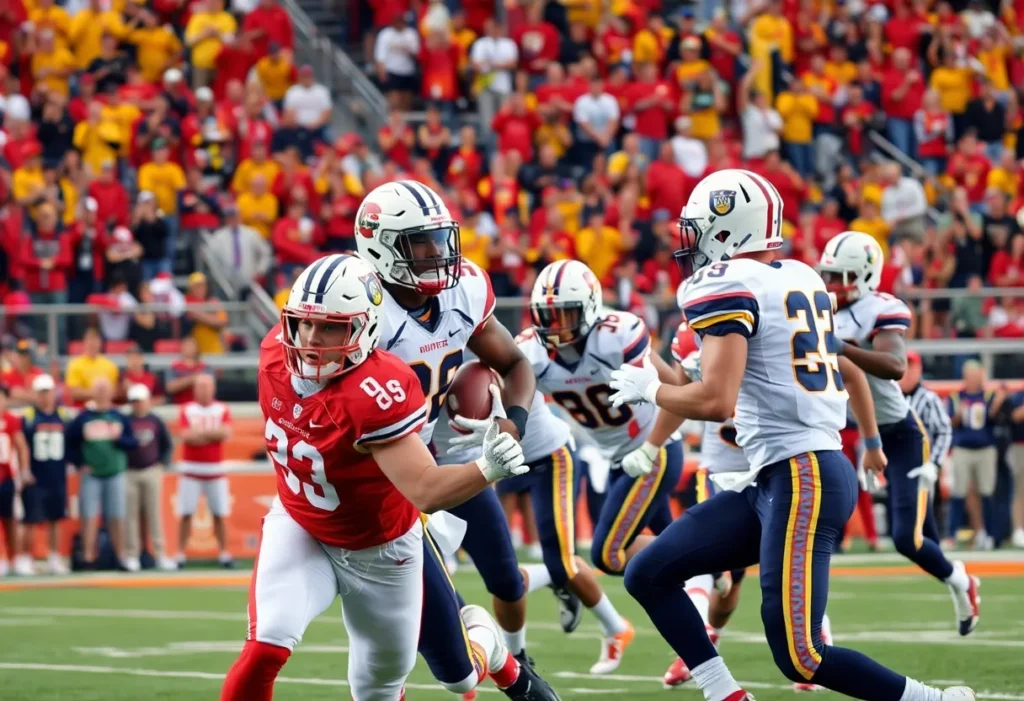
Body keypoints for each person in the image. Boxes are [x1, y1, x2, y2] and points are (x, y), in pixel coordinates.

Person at [608, 169, 977, 701]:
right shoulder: (800, 277)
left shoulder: (728, 284)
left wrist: (652, 390)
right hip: (781, 473)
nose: (689, 243)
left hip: (803, 474)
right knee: (647, 572)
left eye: (698, 228)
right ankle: (725, 693)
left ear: (728, 229)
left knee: (801, 655)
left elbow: (716, 401)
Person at [220, 253, 554, 701]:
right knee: (265, 647)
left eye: (332, 327)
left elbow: (425, 490)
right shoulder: (274, 355)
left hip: (382, 550)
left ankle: (490, 646)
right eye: (305, 323)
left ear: (365, 328)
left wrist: (487, 467)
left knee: (444, 680)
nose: (312, 340)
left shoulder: (376, 390)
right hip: (302, 526)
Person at [353, 181, 555, 693]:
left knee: (506, 578)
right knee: (417, 625)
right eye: (421, 245)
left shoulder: (462, 290)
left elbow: (514, 364)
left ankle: (518, 656)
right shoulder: (362, 310)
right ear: (380, 246)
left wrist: (512, 421)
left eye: (440, 240)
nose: (438, 255)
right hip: (382, 475)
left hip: (445, 456)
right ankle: (501, 670)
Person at [516, 258, 690, 672]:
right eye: (548, 316)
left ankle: (710, 555)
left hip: (653, 450)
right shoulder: (532, 352)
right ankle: (695, 636)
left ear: (591, 307)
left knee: (610, 552)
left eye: (566, 314)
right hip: (616, 459)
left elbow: (672, 395)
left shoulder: (617, 336)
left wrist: (651, 446)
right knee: (672, 566)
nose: (556, 326)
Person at [818, 231, 980, 631]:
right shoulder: (819, 308)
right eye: (828, 276)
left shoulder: (880, 309)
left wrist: (842, 347)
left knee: (907, 539)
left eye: (840, 277)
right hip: (848, 432)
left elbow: (894, 365)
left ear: (865, 276)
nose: (830, 286)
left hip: (901, 435)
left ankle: (961, 580)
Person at [434, 388, 632, 672]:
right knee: (518, 573)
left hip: (545, 455)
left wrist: (503, 425)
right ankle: (487, 654)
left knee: (557, 565)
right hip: (491, 461)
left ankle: (614, 627)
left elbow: (520, 369)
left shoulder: (518, 351)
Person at [66, 377, 137, 568]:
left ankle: (120, 556)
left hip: (115, 472)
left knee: (117, 515)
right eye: (99, 390)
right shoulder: (83, 418)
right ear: (93, 393)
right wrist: (80, 463)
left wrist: (119, 439)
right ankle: (88, 556)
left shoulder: (118, 416)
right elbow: (70, 442)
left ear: (111, 393)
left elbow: (133, 442)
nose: (102, 394)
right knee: (88, 515)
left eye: (105, 390)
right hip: (92, 473)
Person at [177, 373, 234, 568]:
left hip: (215, 469)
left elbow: (225, 433)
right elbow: (186, 436)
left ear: (213, 388)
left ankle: (225, 553)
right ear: (195, 389)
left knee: (219, 513)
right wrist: (212, 435)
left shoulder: (222, 409)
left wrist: (200, 435)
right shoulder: (187, 409)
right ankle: (180, 554)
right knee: (186, 513)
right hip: (190, 470)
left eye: (206, 386)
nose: (203, 390)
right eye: (200, 386)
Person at [948, 361, 1005, 550]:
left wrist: (997, 405)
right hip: (963, 448)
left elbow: (996, 419)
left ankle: (990, 535)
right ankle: (951, 534)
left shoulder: (989, 396)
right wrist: (958, 414)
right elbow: (952, 423)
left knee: (987, 492)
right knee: (958, 492)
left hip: (985, 448)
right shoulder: (956, 397)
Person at [19, 374, 71, 575]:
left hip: (57, 474)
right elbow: (21, 446)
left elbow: (72, 443)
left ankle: (55, 557)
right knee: (31, 519)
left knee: (56, 519)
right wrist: (24, 471)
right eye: (41, 392)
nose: (45, 396)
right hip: (35, 475)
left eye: (47, 391)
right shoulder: (30, 417)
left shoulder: (63, 416)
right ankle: (26, 558)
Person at [124, 384, 176, 572]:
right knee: (131, 516)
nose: (137, 405)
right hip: (130, 471)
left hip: (151, 470)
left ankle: (160, 553)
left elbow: (167, 444)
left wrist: (162, 463)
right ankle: (132, 555)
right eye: (134, 401)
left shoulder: (155, 421)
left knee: (154, 514)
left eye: (140, 401)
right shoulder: (126, 421)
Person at [0, 385, 31, 577]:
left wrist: (25, 470)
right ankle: (2, 558)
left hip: (7, 477)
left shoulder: (11, 420)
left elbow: (22, 447)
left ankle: (16, 558)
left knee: (12, 520)